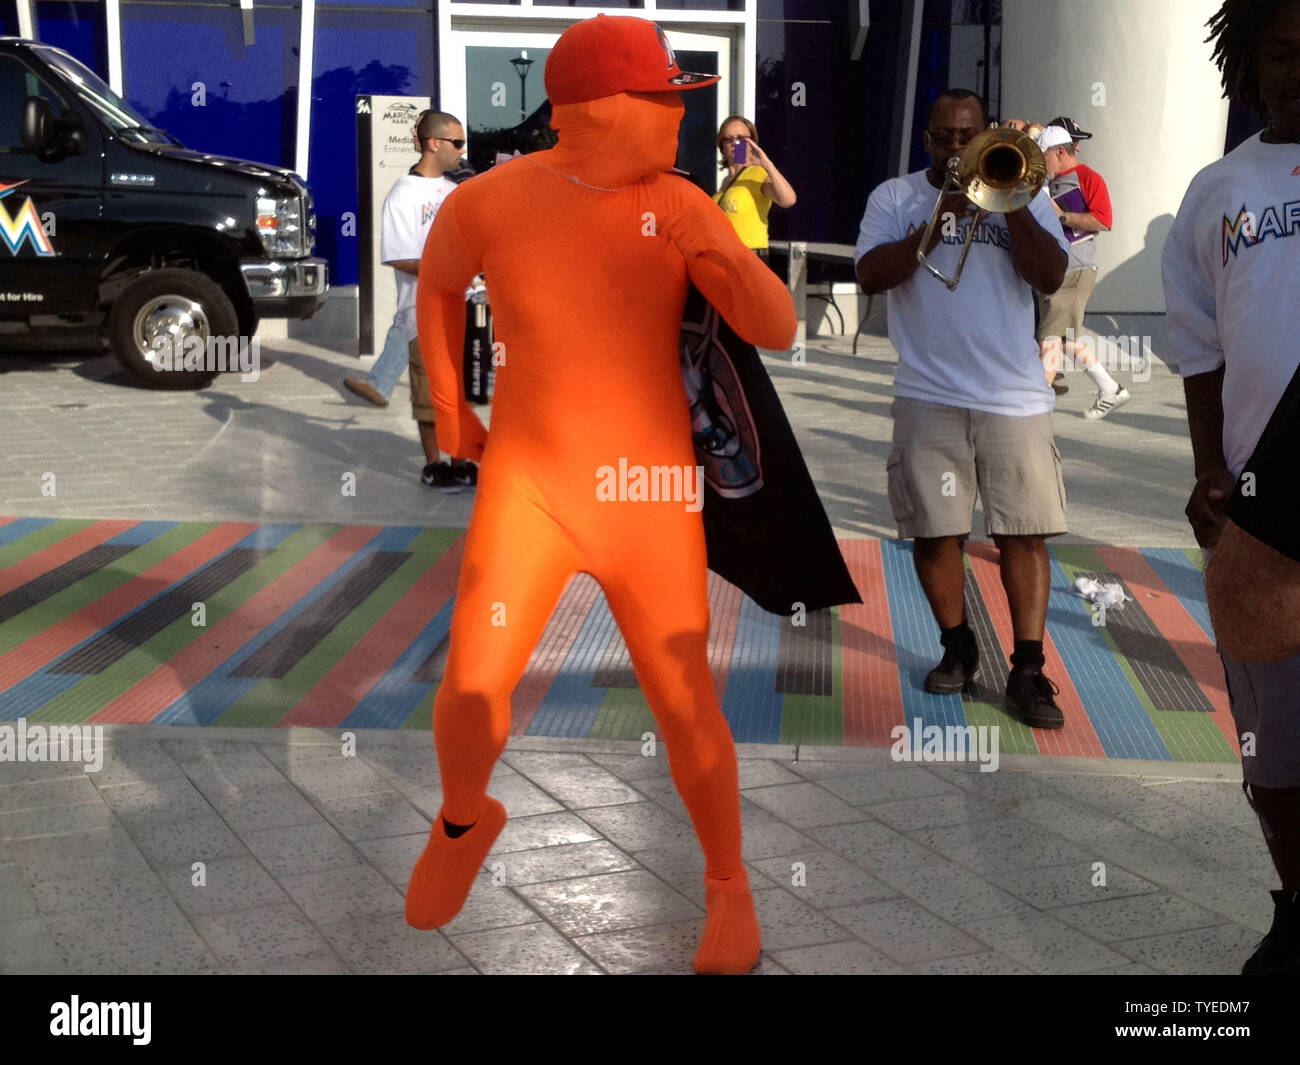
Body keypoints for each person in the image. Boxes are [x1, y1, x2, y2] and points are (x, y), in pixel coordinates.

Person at [403, 14, 796, 975]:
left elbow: (777, 326)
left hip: (650, 492)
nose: (677, 115)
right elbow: (438, 290)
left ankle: (728, 888)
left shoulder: (681, 200)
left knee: (683, 697)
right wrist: (453, 414)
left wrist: (720, 254)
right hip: (529, 487)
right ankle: (464, 818)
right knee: (469, 684)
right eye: (665, 98)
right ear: (604, 107)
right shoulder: (489, 198)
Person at [855, 88, 1071, 729]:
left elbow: (1051, 276)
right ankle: (958, 647)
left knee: (1023, 534)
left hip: (1013, 397)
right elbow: (871, 274)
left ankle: (1028, 669)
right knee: (934, 531)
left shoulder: (1024, 190)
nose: (957, 147)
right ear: (927, 139)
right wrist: (939, 214)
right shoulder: (895, 199)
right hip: (929, 393)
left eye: (968, 135)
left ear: (987, 135)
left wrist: (1010, 204)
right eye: (945, 136)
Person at [1163, 0, 1300, 975]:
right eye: (1280, 51)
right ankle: (1296, 907)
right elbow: (1201, 352)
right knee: (1275, 755)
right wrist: (1210, 470)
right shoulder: (1220, 188)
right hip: (1265, 521)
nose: (1298, 68)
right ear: (1249, 62)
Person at [342, 109, 477, 491]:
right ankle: (435, 464)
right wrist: (444, 269)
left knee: (456, 393)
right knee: (429, 394)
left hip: (458, 307)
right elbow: (398, 255)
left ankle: (460, 461)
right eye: (457, 143)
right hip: (421, 312)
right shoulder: (403, 193)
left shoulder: (455, 190)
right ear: (434, 144)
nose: (462, 151)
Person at [1035, 121, 1129, 417]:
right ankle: (1111, 388)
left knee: (1049, 339)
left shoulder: (1089, 178)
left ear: (1060, 152)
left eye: (1044, 156)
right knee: (1064, 340)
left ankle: (1035, 409)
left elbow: (1103, 221)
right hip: (1062, 268)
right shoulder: (1048, 181)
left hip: (1074, 267)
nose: (1041, 162)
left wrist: (1062, 216)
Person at [713, 115, 796, 255]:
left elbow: (788, 200)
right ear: (722, 146)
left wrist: (766, 163)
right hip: (726, 257)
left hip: (750, 257)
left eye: (740, 138)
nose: (734, 143)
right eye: (728, 139)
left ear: (751, 143)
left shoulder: (757, 174)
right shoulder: (726, 182)